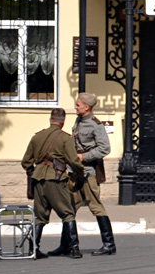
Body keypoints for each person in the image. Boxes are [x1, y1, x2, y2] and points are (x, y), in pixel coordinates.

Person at [21, 107, 85, 260]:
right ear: (63, 122)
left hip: (38, 179)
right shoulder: (65, 138)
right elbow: (73, 161)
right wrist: (80, 173)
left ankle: (34, 249)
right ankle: (74, 249)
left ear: (50, 120)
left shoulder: (37, 137)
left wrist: (33, 172)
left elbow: (26, 161)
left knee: (40, 216)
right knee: (68, 213)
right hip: (56, 178)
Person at [69, 92, 116, 256]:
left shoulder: (96, 125)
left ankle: (109, 244)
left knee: (95, 206)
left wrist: (84, 156)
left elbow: (104, 148)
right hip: (76, 171)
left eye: (78, 105)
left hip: (88, 172)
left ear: (86, 107)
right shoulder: (78, 121)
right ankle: (67, 244)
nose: (75, 107)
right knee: (70, 208)